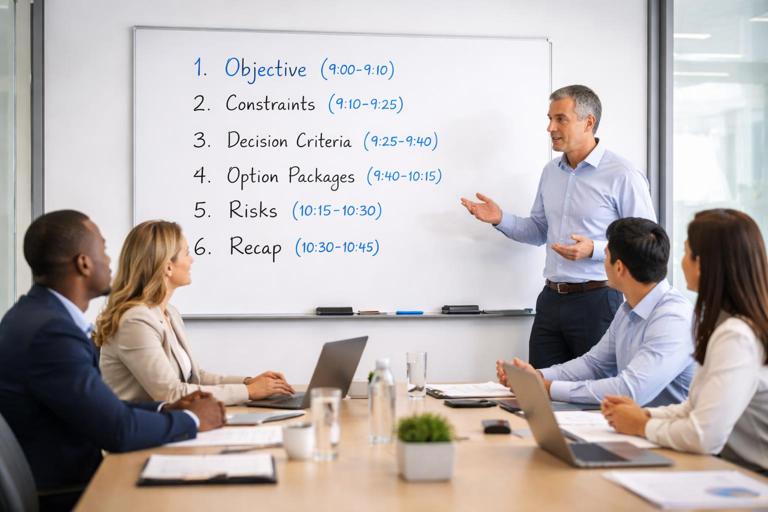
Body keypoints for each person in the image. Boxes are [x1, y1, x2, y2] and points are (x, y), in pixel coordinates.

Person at [0, 210, 225, 511]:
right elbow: (117, 430)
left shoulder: (38, 317)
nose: (111, 262)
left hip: (78, 480)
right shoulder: (51, 333)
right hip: (72, 493)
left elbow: (102, 407)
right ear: (83, 262)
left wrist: (166, 408)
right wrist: (193, 419)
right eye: (104, 250)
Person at [461, 85, 656, 368]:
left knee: (595, 398)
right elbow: (540, 231)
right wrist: (500, 219)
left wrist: (595, 249)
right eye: (550, 119)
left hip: (599, 300)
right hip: (551, 300)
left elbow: (647, 241)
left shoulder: (622, 175)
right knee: (539, 390)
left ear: (588, 122)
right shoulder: (551, 172)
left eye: (560, 119)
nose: (550, 127)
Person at [602, 209, 768, 474]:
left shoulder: (736, 336)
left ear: (702, 264)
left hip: (753, 478)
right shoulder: (724, 324)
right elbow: (695, 407)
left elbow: (704, 436)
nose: (680, 262)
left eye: (686, 252)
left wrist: (642, 426)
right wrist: (644, 415)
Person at [496, 218, 695, 406]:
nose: (602, 262)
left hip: (664, 436)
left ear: (619, 268)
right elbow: (594, 364)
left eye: (606, 255)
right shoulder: (627, 309)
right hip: (632, 428)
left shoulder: (673, 318)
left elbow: (631, 389)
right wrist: (537, 377)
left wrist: (547, 388)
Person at [95, 220, 294, 405]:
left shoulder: (169, 313)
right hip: (140, 436)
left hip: (168, 424)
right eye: (187, 253)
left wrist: (249, 382)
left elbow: (196, 376)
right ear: (168, 267)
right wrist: (249, 392)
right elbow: (171, 393)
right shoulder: (135, 321)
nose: (192, 259)